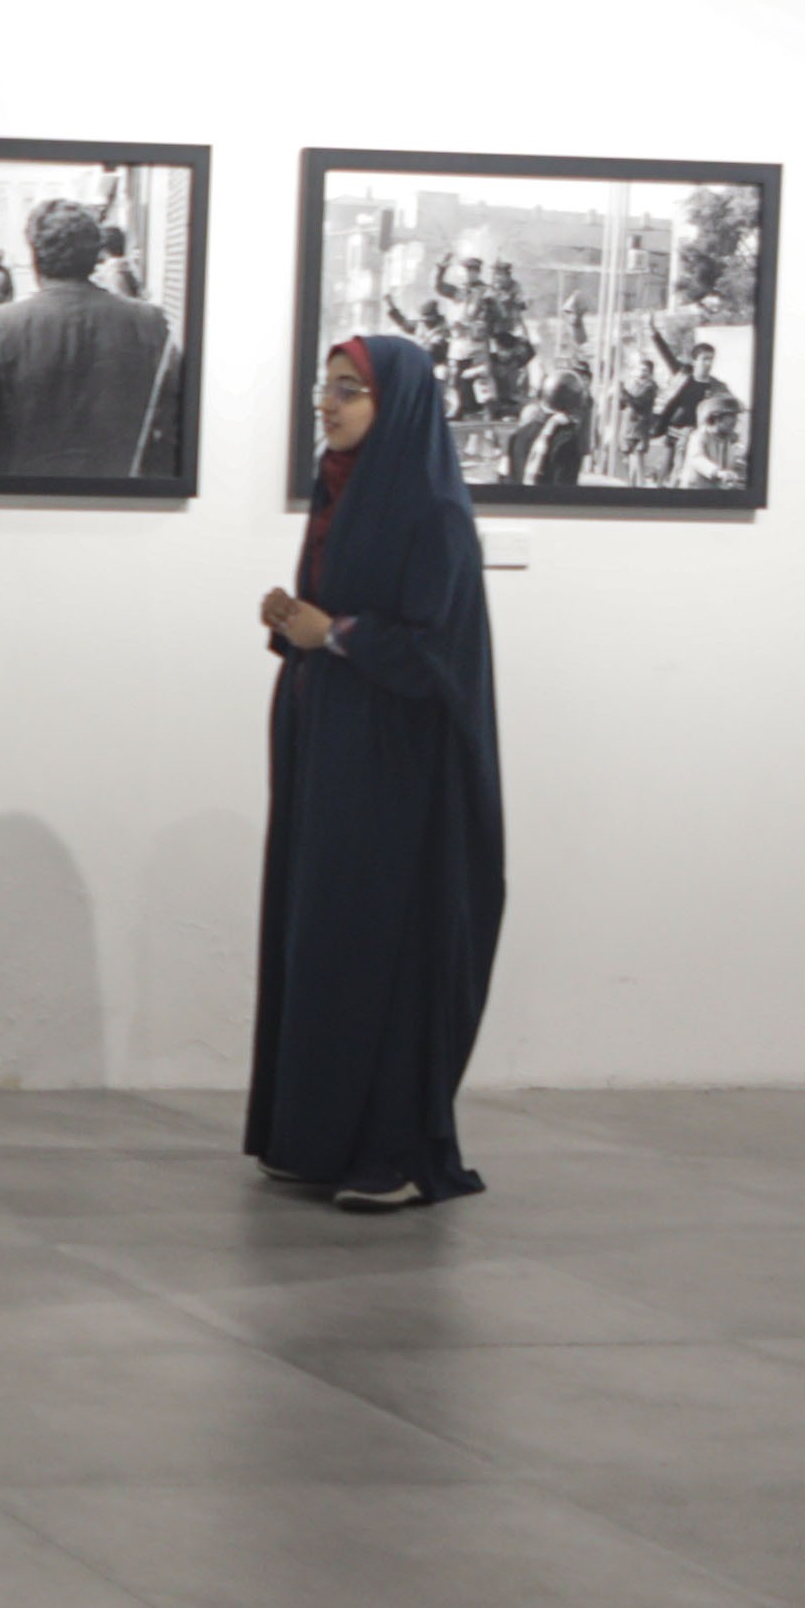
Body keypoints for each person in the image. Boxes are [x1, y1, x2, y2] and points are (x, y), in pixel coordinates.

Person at [246, 332, 504, 1211]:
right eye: (325, 387)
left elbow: (438, 652)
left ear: (395, 405)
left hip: (396, 765)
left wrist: (335, 634)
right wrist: (296, 623)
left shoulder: (430, 509)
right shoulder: (341, 492)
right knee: (319, 932)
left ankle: (390, 1148)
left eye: (348, 389)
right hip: (329, 746)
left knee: (379, 939)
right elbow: (336, 616)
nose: (326, 403)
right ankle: (315, 1137)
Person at [0, 197, 176, 480]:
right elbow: (168, 433)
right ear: (95, 255)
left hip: (29, 494)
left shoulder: (2, 326)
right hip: (123, 496)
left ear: (35, 256)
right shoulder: (148, 322)